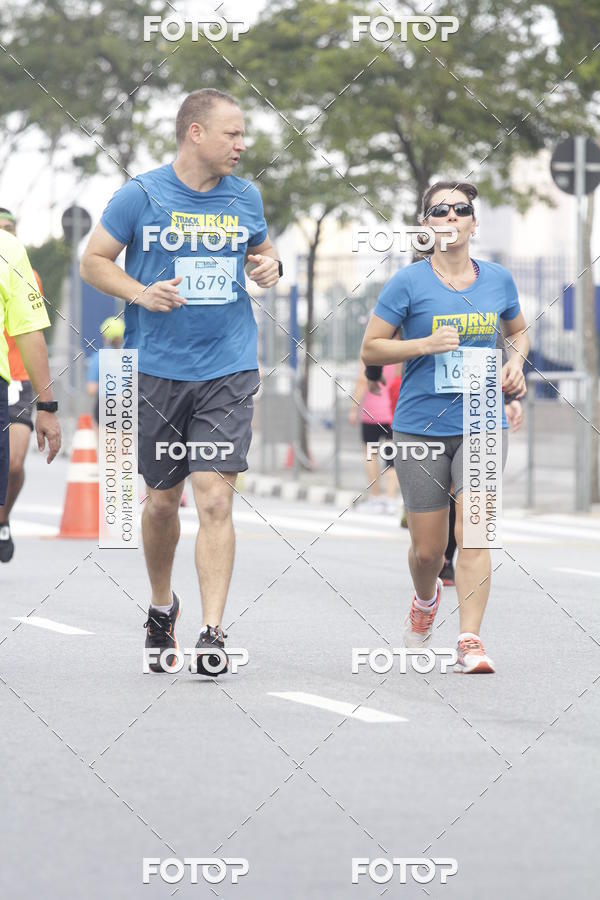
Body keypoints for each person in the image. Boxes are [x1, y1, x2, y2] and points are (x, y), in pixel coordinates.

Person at [80, 89, 281, 675]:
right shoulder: (140, 195)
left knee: (215, 497)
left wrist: (271, 265)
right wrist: (141, 292)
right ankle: (162, 606)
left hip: (228, 365)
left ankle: (213, 632)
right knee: (164, 502)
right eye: (232, 134)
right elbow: (94, 261)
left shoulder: (245, 197)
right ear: (195, 133)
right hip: (157, 370)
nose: (242, 145)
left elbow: (264, 254)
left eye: (244, 135)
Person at [361, 181, 529, 673]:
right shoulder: (407, 283)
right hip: (419, 425)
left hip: (481, 419)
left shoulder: (498, 279)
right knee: (429, 549)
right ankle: (425, 599)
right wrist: (422, 345)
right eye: (440, 210)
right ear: (426, 224)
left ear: (474, 223)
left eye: (462, 210)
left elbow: (516, 332)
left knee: (474, 532)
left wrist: (515, 363)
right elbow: (371, 349)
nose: (452, 216)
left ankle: (469, 639)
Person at [0, 209, 57, 561]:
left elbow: (31, 329)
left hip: (13, 377)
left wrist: (47, 405)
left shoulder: (17, 261)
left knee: (14, 465)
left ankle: (3, 518)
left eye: (9, 228)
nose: (6, 233)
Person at [349, 361, 400, 513]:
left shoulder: (370, 351)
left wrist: (353, 408)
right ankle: (390, 500)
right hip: (393, 411)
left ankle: (376, 498)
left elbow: (362, 380)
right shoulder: (399, 351)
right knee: (392, 457)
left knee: (371, 455)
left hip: (371, 413)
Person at [86, 315, 125, 427]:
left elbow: (91, 389)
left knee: (105, 443)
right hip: (128, 405)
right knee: (126, 442)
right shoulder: (131, 356)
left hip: (105, 405)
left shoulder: (98, 357)